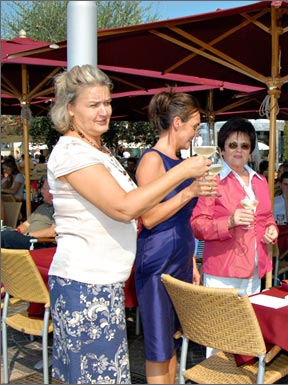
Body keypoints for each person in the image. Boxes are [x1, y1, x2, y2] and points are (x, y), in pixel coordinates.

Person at [46, 64, 210, 384]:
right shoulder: (71, 153)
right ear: (69, 108)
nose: (104, 111)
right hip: (84, 284)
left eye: (107, 102)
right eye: (93, 104)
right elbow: (124, 208)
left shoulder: (98, 151)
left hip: (104, 284)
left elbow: (139, 204)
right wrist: (183, 173)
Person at [134, 90, 217, 384]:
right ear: (178, 123)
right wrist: (190, 191)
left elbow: (184, 220)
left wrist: (192, 262)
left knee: (172, 340)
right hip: (157, 260)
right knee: (158, 347)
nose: (196, 134)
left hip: (180, 258)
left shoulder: (183, 163)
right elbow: (149, 217)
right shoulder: (152, 161)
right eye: (195, 127)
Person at [191, 117, 278, 298]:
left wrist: (272, 230)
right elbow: (197, 225)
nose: (238, 150)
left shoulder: (260, 181)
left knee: (248, 325)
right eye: (232, 145)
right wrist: (229, 222)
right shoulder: (211, 179)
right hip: (222, 271)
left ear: (250, 151)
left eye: (244, 146)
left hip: (255, 270)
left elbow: (267, 218)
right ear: (222, 149)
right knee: (220, 326)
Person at [1, 177, 56, 249]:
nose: (41, 191)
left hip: (38, 242)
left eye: (44, 188)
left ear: (52, 191)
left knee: (5, 236)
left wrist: (26, 235)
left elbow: (52, 232)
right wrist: (17, 232)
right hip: (27, 239)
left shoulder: (59, 209)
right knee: (6, 234)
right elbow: (26, 224)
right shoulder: (42, 207)